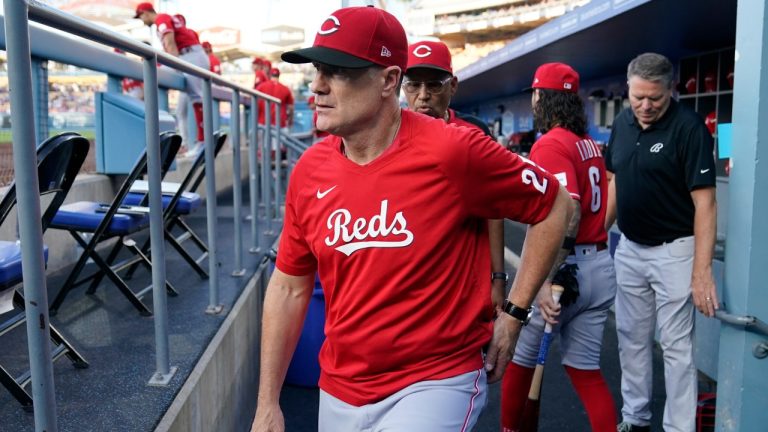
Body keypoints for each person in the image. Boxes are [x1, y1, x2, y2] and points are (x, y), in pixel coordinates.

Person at [250, 6, 573, 432]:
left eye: (339, 71)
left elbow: (555, 204)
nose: (317, 87)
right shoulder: (309, 171)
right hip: (342, 383)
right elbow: (290, 287)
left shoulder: (454, 150)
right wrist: (267, 402)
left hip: (436, 380)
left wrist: (513, 314)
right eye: (316, 71)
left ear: (388, 81)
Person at [500, 62, 618, 432]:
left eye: (535, 94)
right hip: (599, 264)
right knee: (586, 374)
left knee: (516, 359)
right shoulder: (588, 143)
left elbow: (568, 211)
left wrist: (544, 280)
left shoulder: (550, 143)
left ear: (542, 97)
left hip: (564, 275)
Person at [604, 52, 717, 432]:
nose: (645, 106)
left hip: (676, 251)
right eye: (638, 97)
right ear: (628, 90)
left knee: (676, 347)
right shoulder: (622, 122)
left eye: (655, 97)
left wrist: (701, 273)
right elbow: (615, 182)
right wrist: (596, 235)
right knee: (631, 339)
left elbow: (705, 203)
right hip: (631, 247)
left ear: (670, 90)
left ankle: (679, 428)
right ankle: (635, 418)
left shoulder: (689, 128)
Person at [402, 40, 506, 309]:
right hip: (409, 277)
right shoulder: (389, 133)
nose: (423, 95)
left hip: (466, 280)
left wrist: (498, 278)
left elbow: (493, 210)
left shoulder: (475, 133)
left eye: (434, 85)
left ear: (453, 86)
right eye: (413, 84)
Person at [134, 2, 209, 155]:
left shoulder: (161, 18)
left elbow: (170, 42)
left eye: (141, 16)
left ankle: (203, 141)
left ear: (146, 13)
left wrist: (174, 65)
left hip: (190, 56)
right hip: (191, 55)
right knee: (187, 104)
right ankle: (199, 142)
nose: (142, 20)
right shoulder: (164, 19)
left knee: (196, 97)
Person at [256, 67, 294, 133]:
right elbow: (291, 108)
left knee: (263, 143)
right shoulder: (285, 88)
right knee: (278, 143)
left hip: (263, 122)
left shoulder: (261, 86)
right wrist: (290, 120)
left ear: (270, 75)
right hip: (280, 123)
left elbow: (254, 101)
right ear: (279, 75)